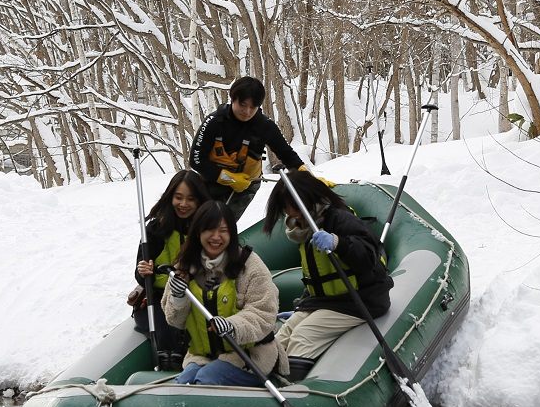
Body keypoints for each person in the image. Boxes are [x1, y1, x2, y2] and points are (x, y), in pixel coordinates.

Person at [261, 170, 393, 363]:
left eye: (292, 207)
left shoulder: (339, 219)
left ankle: (294, 384)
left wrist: (338, 243)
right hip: (325, 301)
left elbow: (368, 258)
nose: (290, 214)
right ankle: (262, 380)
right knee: (284, 334)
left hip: (358, 300)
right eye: (285, 209)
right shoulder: (304, 228)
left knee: (302, 336)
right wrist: (304, 303)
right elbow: (316, 275)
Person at [162, 201, 289, 386]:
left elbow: (264, 313)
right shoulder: (184, 267)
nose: (216, 237)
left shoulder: (250, 265)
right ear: (198, 232)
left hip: (249, 356)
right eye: (209, 230)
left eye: (223, 230)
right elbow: (174, 320)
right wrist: (178, 297)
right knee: (183, 384)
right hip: (203, 357)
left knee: (206, 381)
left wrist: (232, 325)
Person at [189, 75, 308, 222]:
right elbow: (195, 160)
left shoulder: (265, 126)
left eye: (253, 107)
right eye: (243, 105)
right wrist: (228, 178)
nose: (247, 111)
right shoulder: (214, 122)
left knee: (222, 224)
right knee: (199, 222)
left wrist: (305, 174)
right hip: (212, 180)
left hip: (246, 186)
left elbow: (286, 154)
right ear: (233, 99)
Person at [129, 169, 212, 367]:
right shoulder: (156, 229)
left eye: (190, 199)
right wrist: (144, 272)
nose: (183, 204)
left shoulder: (207, 228)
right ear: (170, 197)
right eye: (178, 197)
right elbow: (140, 274)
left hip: (197, 295)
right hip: (160, 298)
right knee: (168, 333)